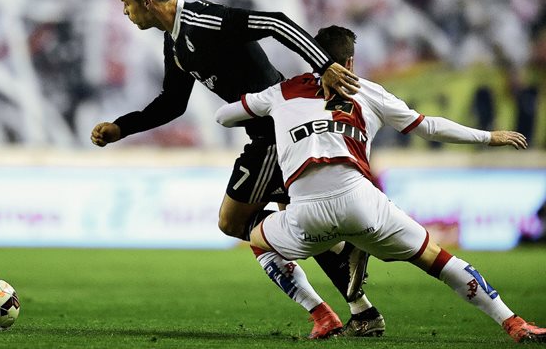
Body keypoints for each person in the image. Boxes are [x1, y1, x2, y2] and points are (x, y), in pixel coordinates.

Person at [90, 0, 383, 339]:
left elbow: (276, 22)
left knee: (234, 222)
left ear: (147, 2)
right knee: (299, 221)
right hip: (275, 134)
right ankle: (360, 309)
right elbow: (173, 103)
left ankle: (328, 295)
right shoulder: (176, 42)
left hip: (274, 136)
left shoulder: (202, 20)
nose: (125, 12)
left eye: (126, 3)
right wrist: (122, 127)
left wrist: (323, 65)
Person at [215, 25, 546, 343]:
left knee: (255, 238)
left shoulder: (282, 92)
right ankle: (514, 324)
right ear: (350, 63)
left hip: (307, 214)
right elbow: (428, 127)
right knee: (438, 259)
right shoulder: (368, 91)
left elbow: (224, 117)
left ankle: (320, 313)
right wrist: (489, 137)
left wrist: (266, 111)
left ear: (312, 56)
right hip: (361, 202)